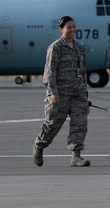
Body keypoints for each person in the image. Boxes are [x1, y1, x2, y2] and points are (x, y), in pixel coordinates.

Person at [32, 16, 91, 167]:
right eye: (68, 27)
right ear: (61, 29)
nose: (72, 30)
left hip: (78, 93)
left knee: (80, 124)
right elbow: (49, 72)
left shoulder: (79, 47)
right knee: (52, 124)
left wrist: (84, 92)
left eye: (74, 27)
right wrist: (52, 92)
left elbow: (83, 71)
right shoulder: (56, 47)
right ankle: (39, 146)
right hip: (60, 94)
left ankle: (76, 156)